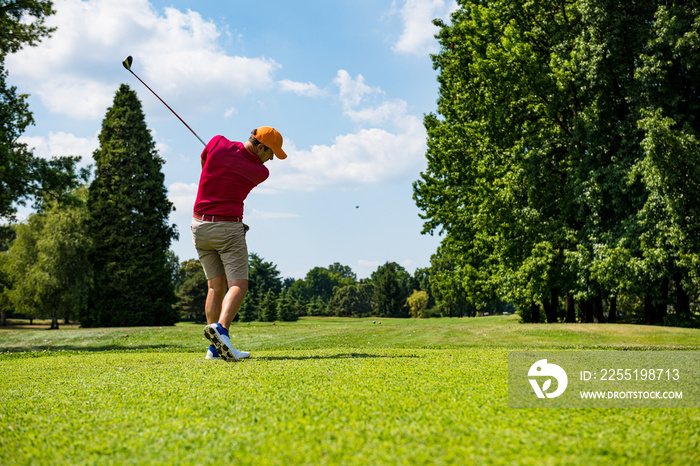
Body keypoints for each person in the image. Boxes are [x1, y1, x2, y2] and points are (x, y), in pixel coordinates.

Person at [191, 126, 288, 361]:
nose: (271, 159)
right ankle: (221, 330)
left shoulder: (216, 142)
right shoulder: (260, 171)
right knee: (238, 285)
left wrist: (218, 163)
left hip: (199, 226)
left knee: (215, 287)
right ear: (260, 146)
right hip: (227, 229)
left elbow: (204, 160)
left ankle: (214, 349)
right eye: (270, 152)